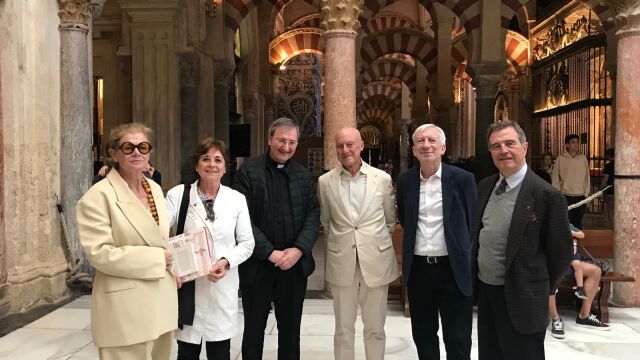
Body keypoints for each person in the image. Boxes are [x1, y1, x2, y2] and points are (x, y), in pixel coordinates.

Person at [75, 123, 177, 359]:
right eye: (128, 147)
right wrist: (158, 259)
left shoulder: (155, 189)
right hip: (124, 308)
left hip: (161, 300)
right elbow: (100, 254)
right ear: (114, 153)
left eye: (142, 146)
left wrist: (175, 263)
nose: (137, 152)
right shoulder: (97, 197)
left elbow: (160, 240)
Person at [472, 120, 572, 360]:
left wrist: (538, 289)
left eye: (509, 143)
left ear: (524, 147)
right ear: (491, 153)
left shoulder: (547, 195)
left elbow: (560, 254)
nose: (503, 150)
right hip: (487, 295)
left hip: (523, 298)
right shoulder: (485, 186)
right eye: (496, 146)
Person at [232, 117, 320, 360]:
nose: (286, 147)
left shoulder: (303, 175)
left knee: (291, 332)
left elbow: (313, 215)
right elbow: (242, 219)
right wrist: (269, 252)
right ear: (270, 139)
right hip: (258, 265)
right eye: (281, 140)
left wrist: (298, 250)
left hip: (293, 266)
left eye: (292, 142)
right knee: (254, 330)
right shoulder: (248, 172)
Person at [165, 138, 255, 360]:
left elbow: (247, 242)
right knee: (187, 352)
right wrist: (169, 264)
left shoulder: (236, 199)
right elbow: (157, 232)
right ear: (197, 165)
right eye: (206, 159)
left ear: (225, 167)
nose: (212, 164)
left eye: (218, 160)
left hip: (222, 286)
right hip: (188, 287)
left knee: (220, 352)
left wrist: (225, 261)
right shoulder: (178, 195)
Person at [397, 124, 477, 360]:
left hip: (453, 269)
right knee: (423, 335)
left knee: (458, 337)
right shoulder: (406, 180)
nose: (426, 145)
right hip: (419, 270)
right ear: (413, 150)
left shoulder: (463, 179)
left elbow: (472, 222)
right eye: (420, 141)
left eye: (432, 140)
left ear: (443, 147)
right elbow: (405, 217)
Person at [317, 128, 398, 360]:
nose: (345, 150)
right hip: (342, 261)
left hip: (376, 260)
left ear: (361, 145)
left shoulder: (381, 179)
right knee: (343, 329)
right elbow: (326, 221)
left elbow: (389, 220)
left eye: (350, 144)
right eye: (340, 145)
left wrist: (370, 244)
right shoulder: (325, 182)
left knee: (375, 328)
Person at [548, 225, 610, 339]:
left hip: (572, 262)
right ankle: (555, 318)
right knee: (550, 276)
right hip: (553, 262)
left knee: (595, 271)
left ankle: (584, 316)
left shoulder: (566, 223)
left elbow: (580, 234)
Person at [552, 134, 590, 229]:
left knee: (578, 223)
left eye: (577, 142)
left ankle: (576, 243)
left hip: (580, 196)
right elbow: (555, 178)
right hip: (565, 196)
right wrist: (557, 195)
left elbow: (586, 177)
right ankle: (566, 243)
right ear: (567, 145)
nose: (576, 144)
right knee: (565, 223)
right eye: (573, 142)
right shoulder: (560, 158)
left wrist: (586, 193)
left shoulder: (583, 158)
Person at [601, 148, 615, 226]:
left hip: (610, 191)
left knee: (611, 212)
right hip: (620, 192)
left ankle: (614, 232)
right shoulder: (620, 164)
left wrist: (600, 189)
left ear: (608, 155)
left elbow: (605, 179)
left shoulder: (608, 166)